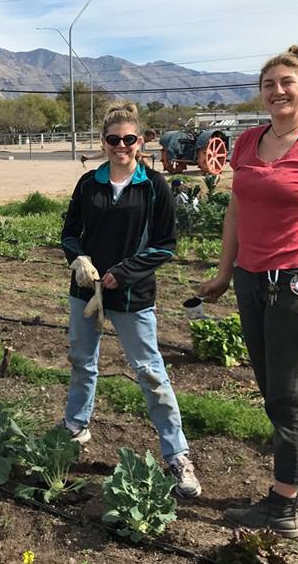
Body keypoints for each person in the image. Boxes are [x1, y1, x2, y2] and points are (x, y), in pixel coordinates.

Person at [198, 45, 298, 538]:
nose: (277, 91)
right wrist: (224, 272)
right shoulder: (246, 143)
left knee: (288, 397)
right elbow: (236, 212)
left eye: (287, 82)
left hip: (295, 281)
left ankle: (283, 508)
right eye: (269, 84)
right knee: (272, 388)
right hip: (249, 277)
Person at [61, 104, 201, 499]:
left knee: (150, 371)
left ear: (140, 142)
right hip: (86, 291)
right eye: (113, 140)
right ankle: (75, 427)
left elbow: (165, 246)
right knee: (81, 361)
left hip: (133, 295)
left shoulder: (153, 186)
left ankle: (177, 455)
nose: (121, 146)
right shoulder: (89, 184)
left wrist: (123, 272)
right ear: (104, 143)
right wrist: (79, 260)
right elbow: (70, 233)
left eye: (128, 139)